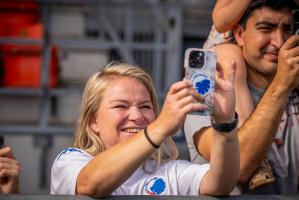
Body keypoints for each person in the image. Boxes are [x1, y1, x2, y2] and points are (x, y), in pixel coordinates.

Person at [51, 62, 239, 197]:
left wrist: (226, 124)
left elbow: (220, 183)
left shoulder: (169, 172)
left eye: (145, 107)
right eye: (121, 106)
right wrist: (160, 128)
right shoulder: (70, 160)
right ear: (94, 121)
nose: (137, 116)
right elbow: (90, 185)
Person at [184, 0, 299, 194]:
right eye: (266, 28)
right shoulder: (206, 93)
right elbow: (239, 166)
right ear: (239, 34)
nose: (279, 42)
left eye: (287, 29)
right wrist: (281, 84)